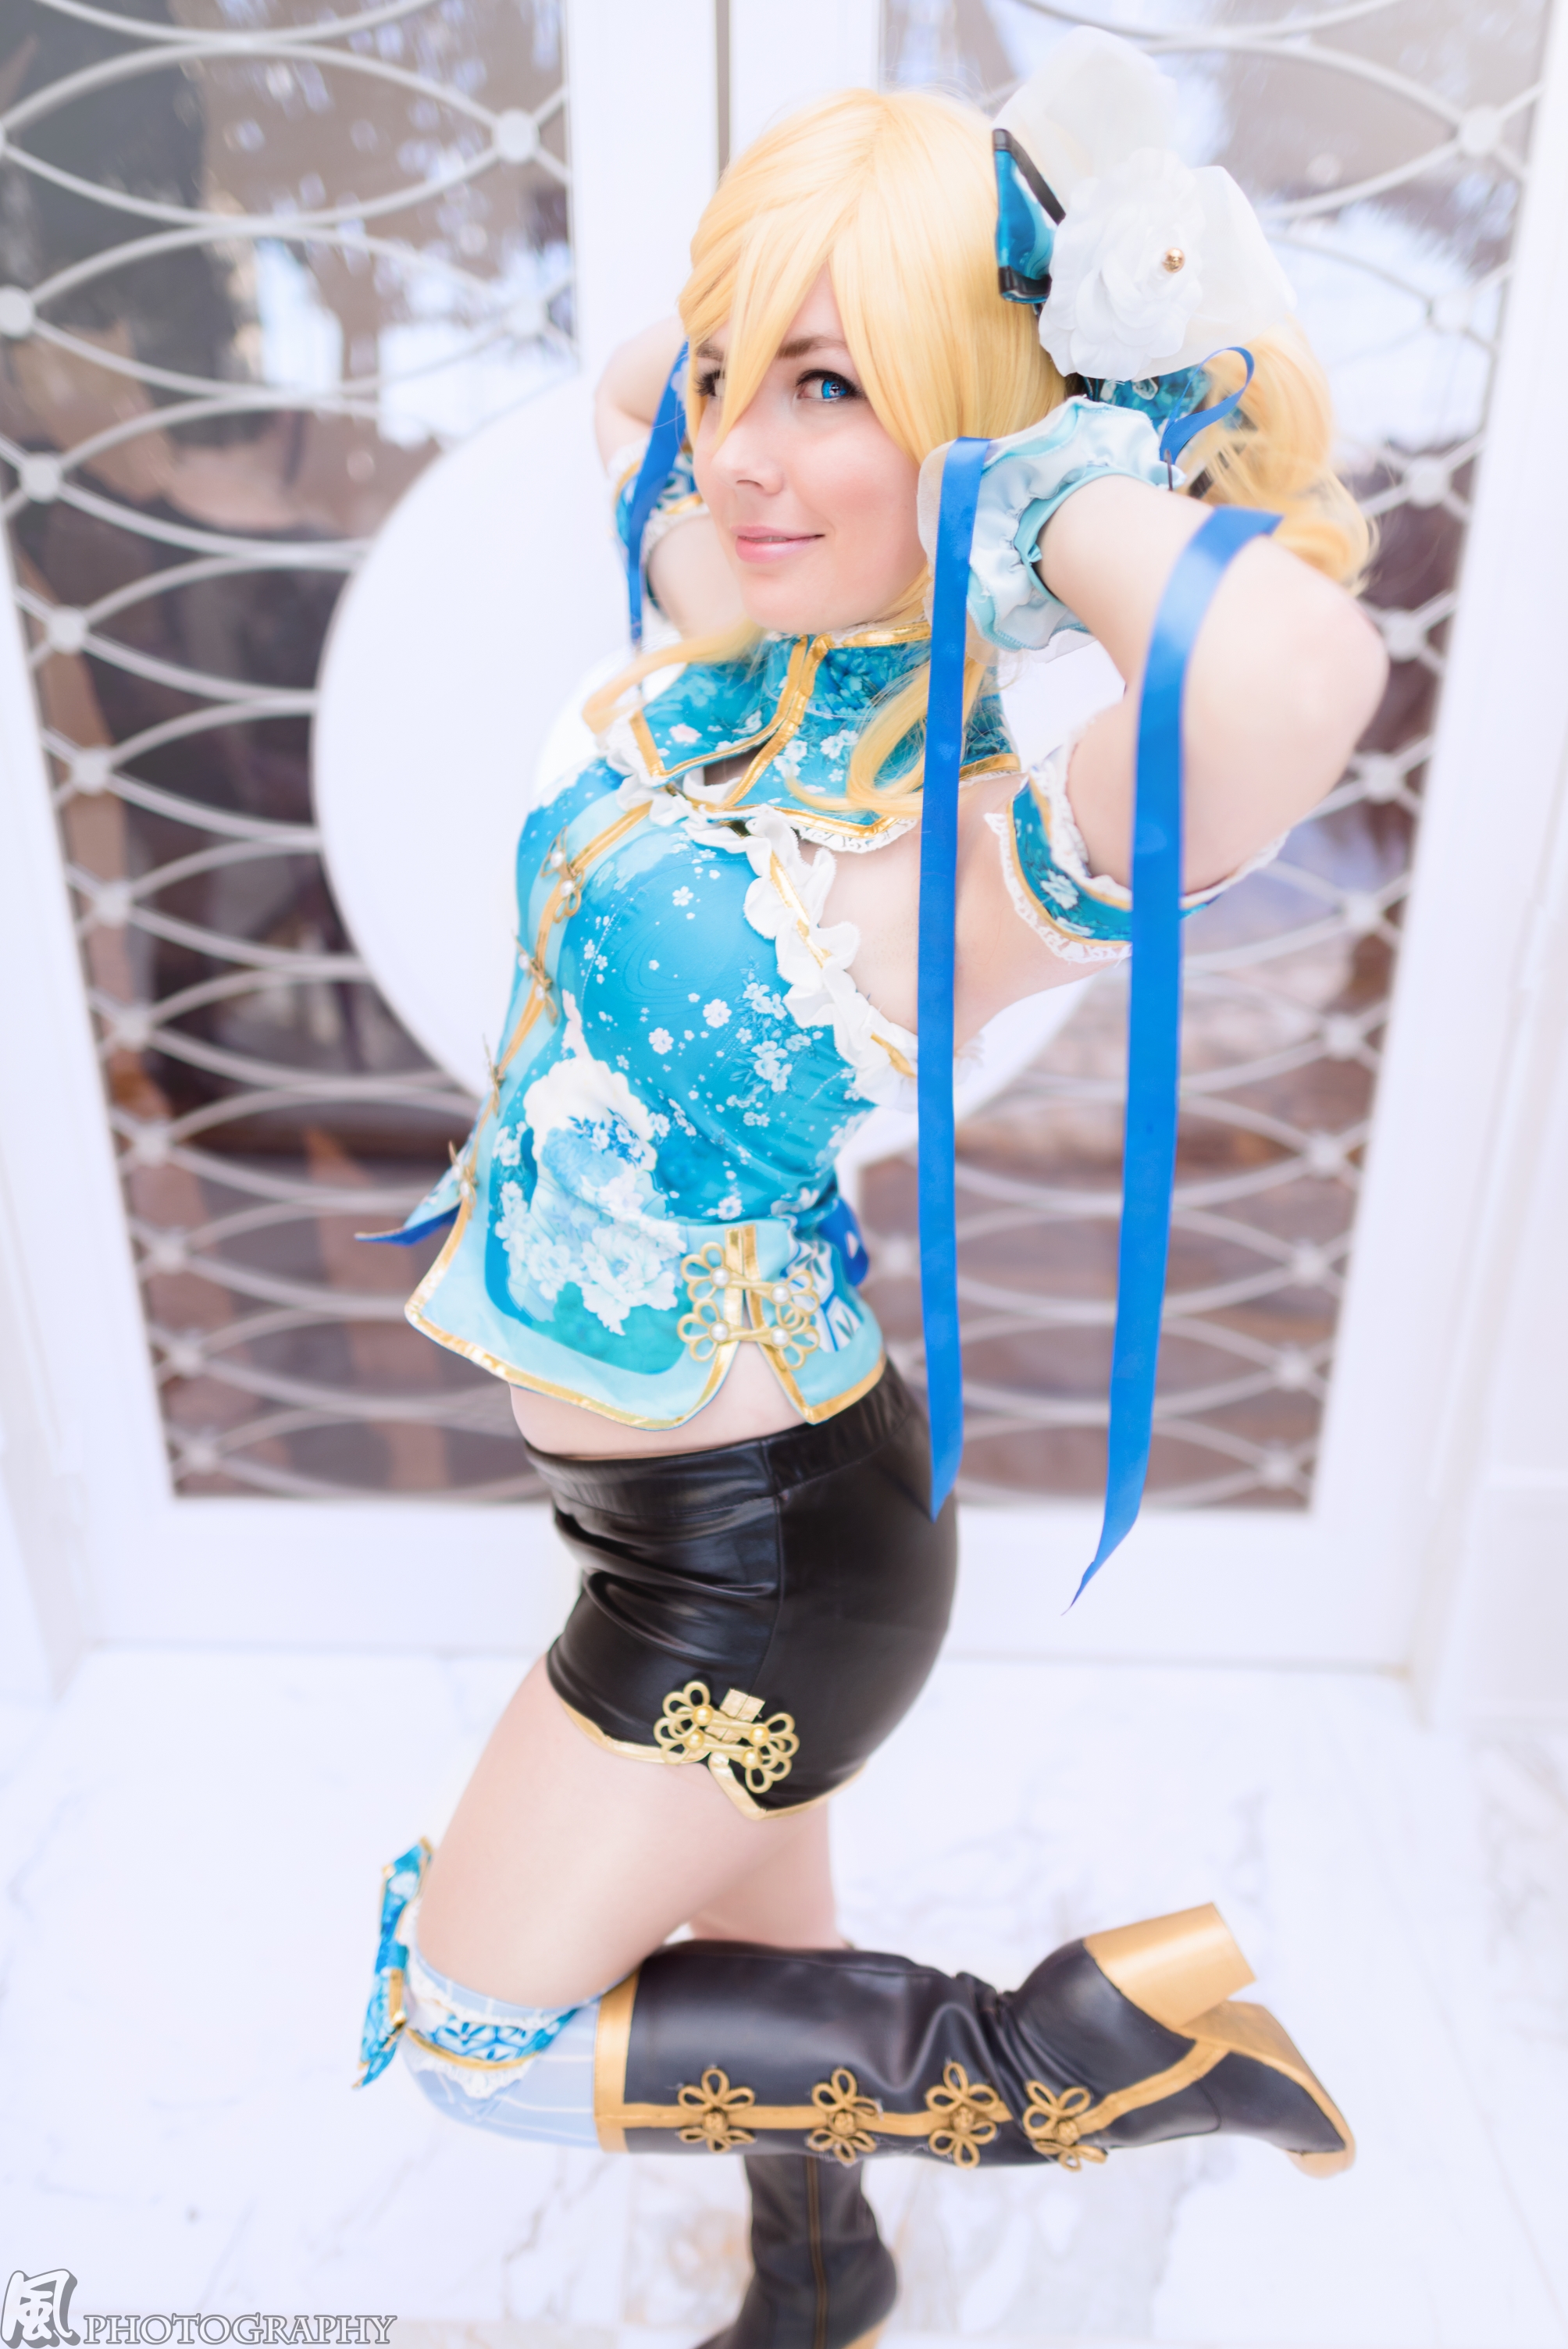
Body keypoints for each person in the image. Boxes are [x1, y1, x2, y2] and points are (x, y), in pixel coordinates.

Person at [356, 33, 1387, 2347]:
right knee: (765, 1956)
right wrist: (884, 269)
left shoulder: (963, 851)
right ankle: (823, 2266)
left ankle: (1082, 2051)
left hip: (760, 1563)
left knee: (480, 2037)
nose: (737, 444)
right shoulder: (734, 629)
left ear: (971, 445)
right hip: (689, 1495)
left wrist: (1040, 472)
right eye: (747, 375)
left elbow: (1295, 670)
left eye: (829, 387)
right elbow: (644, 385)